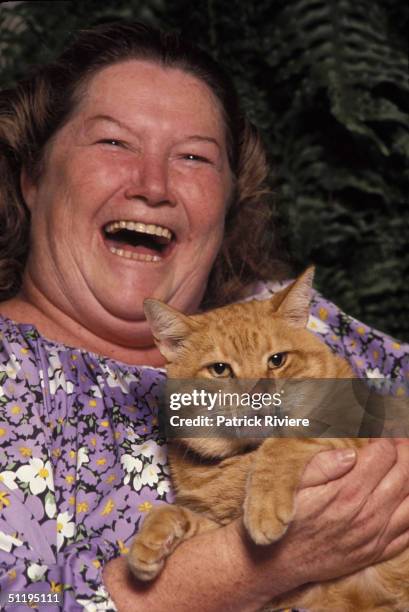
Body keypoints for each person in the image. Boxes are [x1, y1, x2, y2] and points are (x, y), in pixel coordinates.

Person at [0, 20, 408, 612]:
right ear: (33, 176)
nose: (154, 185)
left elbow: (379, 415)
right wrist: (262, 562)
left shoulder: (283, 310)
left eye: (193, 157)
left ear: (227, 201)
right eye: (114, 143)